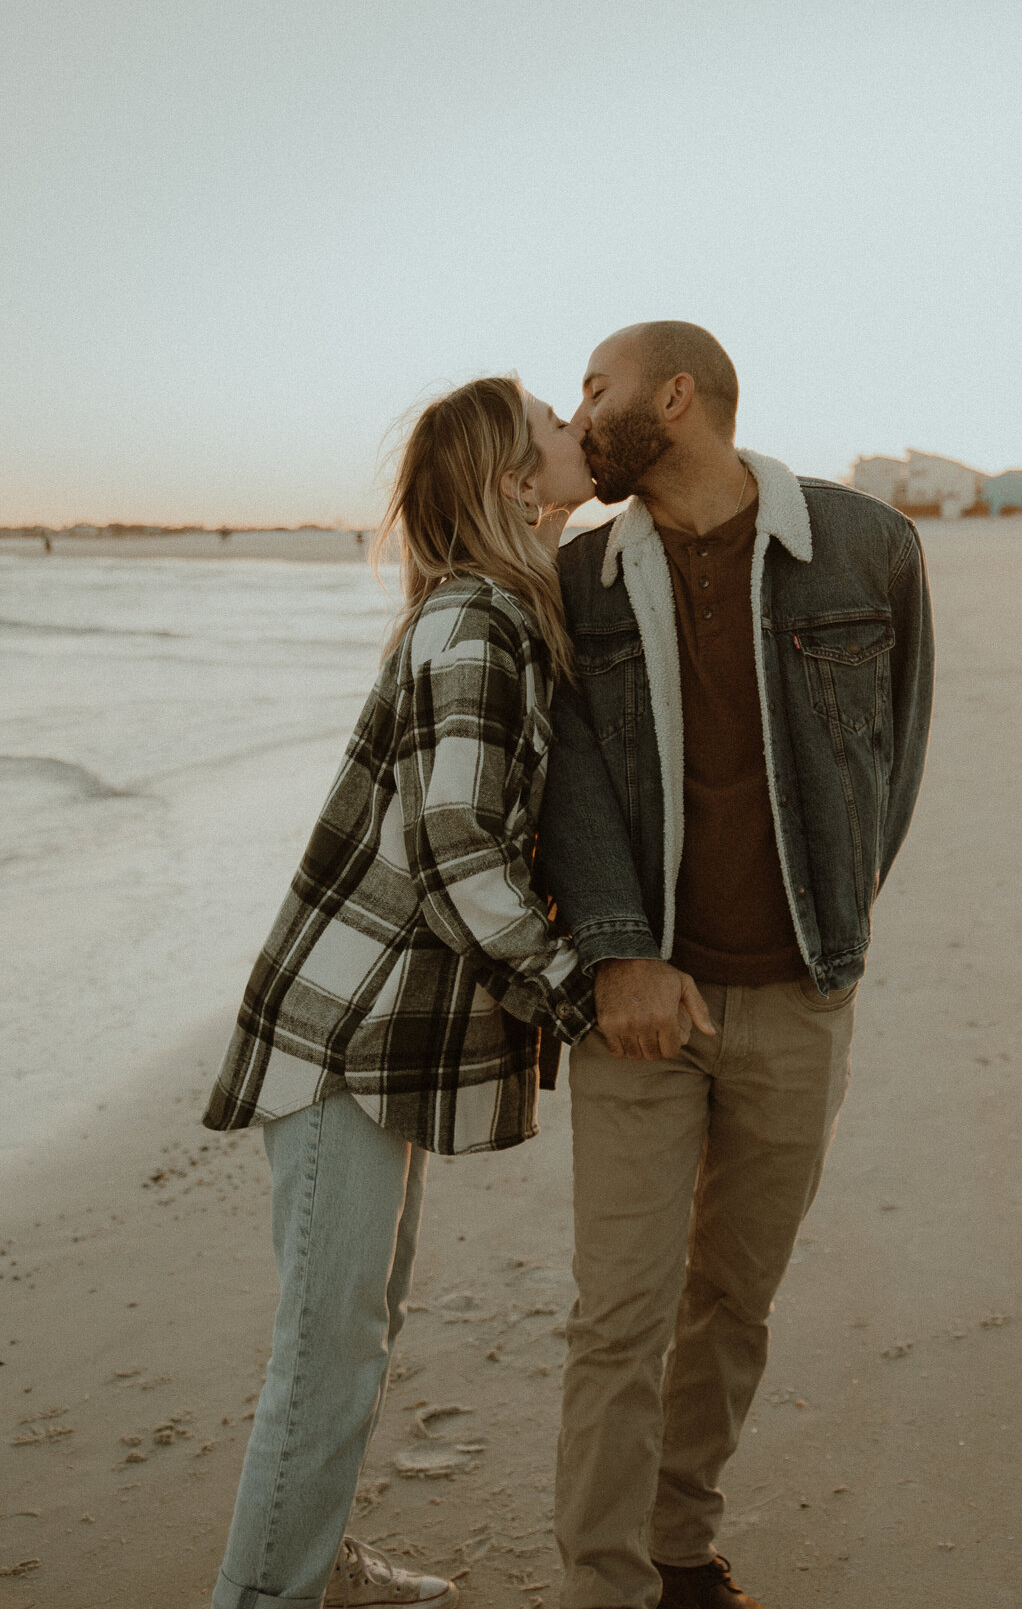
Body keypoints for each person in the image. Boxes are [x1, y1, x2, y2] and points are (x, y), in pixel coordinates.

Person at [201, 377, 702, 1609]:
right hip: (344, 1037)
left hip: (384, 1039)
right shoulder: (476, 625)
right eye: (548, 423)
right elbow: (456, 852)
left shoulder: (498, 608)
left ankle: (307, 1565)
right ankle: (270, 1593)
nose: (576, 431)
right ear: (510, 482)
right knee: (329, 1351)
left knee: (362, 1327)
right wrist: (580, 993)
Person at [539, 323, 935, 1609]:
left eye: (595, 388)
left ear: (676, 395)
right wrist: (616, 961)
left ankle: (676, 1539)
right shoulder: (583, 576)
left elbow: (895, 750)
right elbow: (571, 783)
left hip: (799, 993)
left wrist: (836, 922)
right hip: (640, 1004)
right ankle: (605, 1585)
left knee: (735, 1298)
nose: (577, 412)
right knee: (621, 1314)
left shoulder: (866, 546)